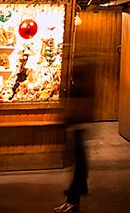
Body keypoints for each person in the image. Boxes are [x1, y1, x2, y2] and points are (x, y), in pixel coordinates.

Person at [53, 51, 96, 212]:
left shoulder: (81, 83)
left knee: (79, 162)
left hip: (78, 125)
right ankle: (74, 196)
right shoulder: (85, 82)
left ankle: (73, 199)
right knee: (79, 162)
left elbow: (80, 105)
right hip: (79, 125)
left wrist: (69, 118)